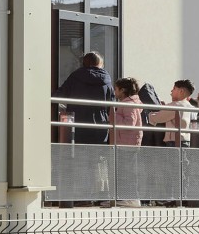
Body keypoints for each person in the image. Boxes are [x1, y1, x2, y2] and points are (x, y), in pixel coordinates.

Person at [54, 51, 115, 144]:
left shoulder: (75, 77)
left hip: (78, 123)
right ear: (100, 63)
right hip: (99, 124)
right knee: (98, 154)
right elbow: (112, 103)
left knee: (79, 154)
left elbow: (61, 94)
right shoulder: (106, 80)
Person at [109, 77, 142, 207]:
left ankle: (130, 198)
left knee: (126, 171)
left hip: (127, 143)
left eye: (116, 89)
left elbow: (130, 123)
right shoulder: (130, 102)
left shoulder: (128, 103)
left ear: (122, 90)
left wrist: (114, 116)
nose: (114, 91)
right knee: (124, 171)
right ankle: (124, 197)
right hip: (126, 142)